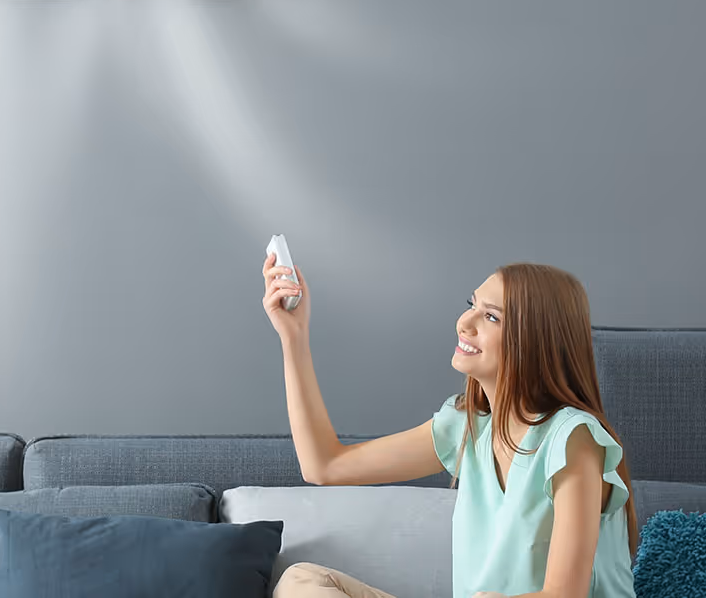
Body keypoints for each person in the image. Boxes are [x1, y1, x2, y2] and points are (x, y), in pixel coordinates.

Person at [262, 254, 637, 598]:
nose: (465, 323)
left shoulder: (573, 439)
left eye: (491, 317)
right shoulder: (466, 428)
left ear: (535, 341)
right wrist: (294, 337)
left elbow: (565, 595)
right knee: (301, 582)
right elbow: (324, 466)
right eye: (472, 305)